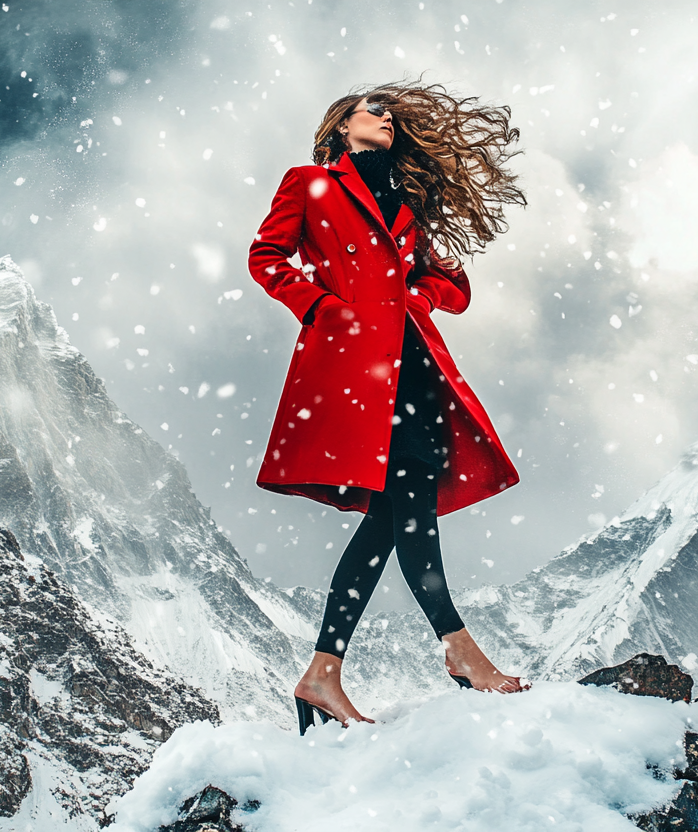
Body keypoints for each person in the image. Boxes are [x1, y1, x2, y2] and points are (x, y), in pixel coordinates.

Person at [248, 83, 529, 734]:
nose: (387, 117)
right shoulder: (309, 184)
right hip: (355, 370)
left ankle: (323, 674)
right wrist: (322, 308)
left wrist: (428, 290)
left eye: (391, 113)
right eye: (374, 109)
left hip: (412, 368)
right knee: (408, 503)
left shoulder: (406, 200)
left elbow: (441, 288)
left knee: (391, 515)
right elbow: (266, 258)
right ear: (341, 124)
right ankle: (460, 650)